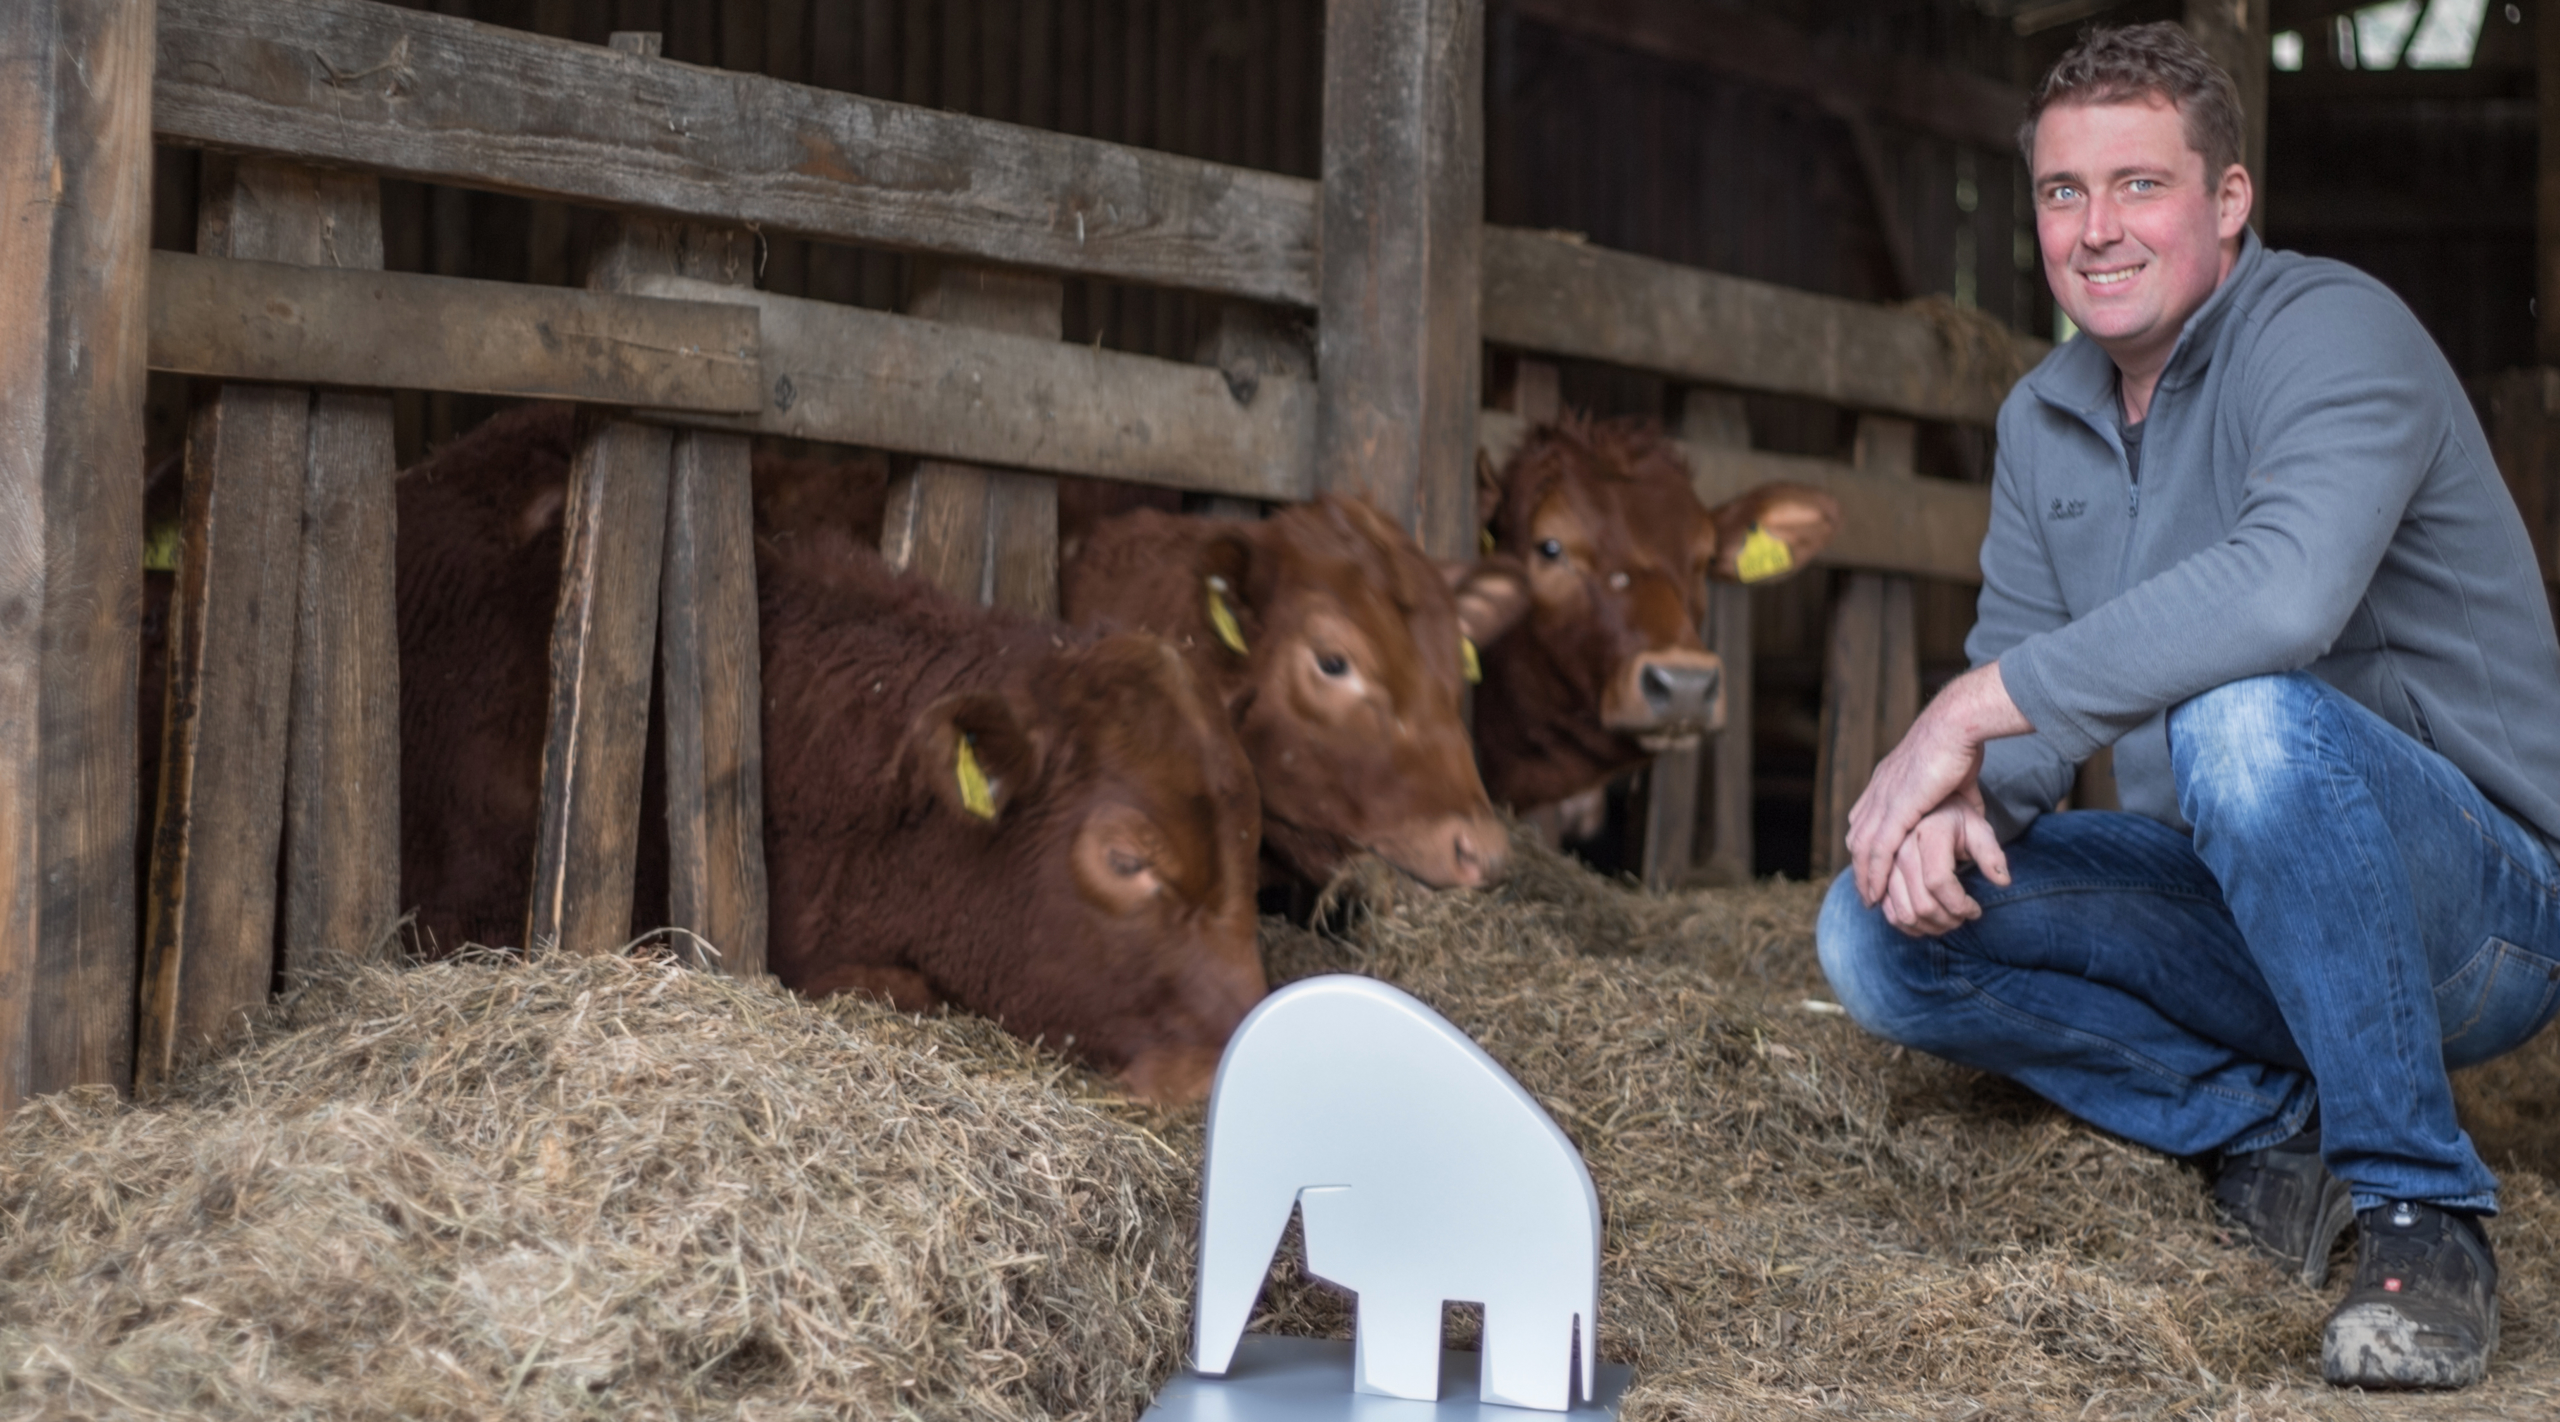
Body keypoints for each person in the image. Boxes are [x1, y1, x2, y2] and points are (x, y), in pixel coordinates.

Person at [1815, 21, 2560, 1391]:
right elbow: (2025, 733)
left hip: (2483, 909)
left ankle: (2420, 1212)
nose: (2096, 229)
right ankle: (2266, 1128)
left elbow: (2286, 595)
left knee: (2244, 718)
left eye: (2140, 186)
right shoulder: (2045, 418)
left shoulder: (2336, 333)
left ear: (2227, 202)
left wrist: (1964, 708)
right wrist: (1955, 798)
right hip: (2236, 900)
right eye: (2060, 192)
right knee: (1870, 925)